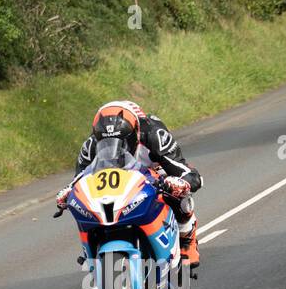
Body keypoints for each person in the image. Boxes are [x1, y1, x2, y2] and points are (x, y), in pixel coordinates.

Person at [56, 100, 202, 268]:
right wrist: (69, 191)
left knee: (178, 192)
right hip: (118, 177)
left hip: (154, 169)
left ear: (134, 133)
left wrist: (182, 181)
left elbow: (183, 170)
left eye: (121, 140)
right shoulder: (91, 145)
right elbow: (80, 177)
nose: (114, 146)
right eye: (105, 141)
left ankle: (186, 241)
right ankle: (92, 248)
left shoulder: (155, 135)